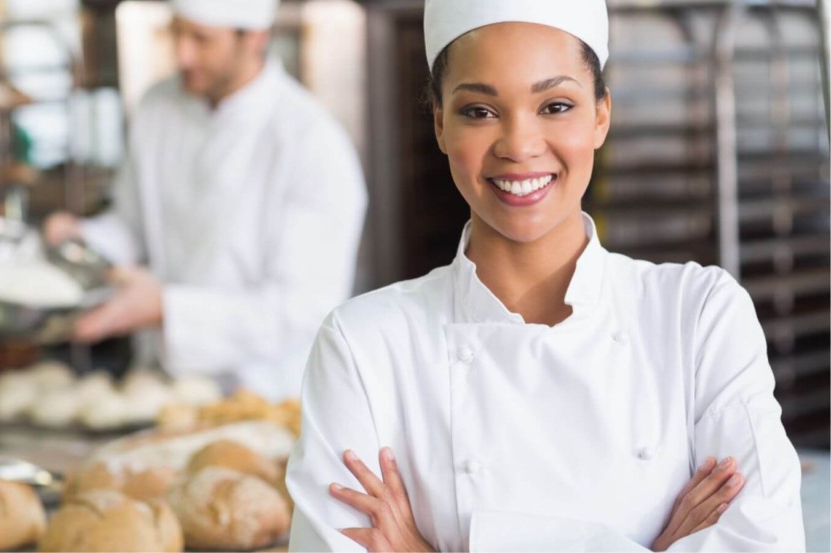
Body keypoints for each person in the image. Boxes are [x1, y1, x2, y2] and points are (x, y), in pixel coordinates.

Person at [285, 0, 804, 550]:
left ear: (601, 114)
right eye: (479, 111)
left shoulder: (699, 315)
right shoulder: (362, 345)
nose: (520, 146)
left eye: (555, 105)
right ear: (439, 123)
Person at [45, 0, 367, 400]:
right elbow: (132, 225)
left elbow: (301, 309)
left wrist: (167, 308)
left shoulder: (310, 142)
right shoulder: (158, 106)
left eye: (201, 39)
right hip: (161, 387)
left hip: (268, 397)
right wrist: (83, 240)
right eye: (176, 32)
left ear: (255, 38)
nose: (182, 54)